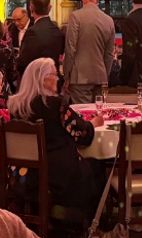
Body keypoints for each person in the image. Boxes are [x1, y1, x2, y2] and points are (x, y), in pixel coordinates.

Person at [8, 58, 102, 220]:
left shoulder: (16, 106)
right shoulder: (55, 104)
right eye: (54, 75)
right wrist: (94, 123)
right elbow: (82, 135)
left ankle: (55, 218)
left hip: (23, 174)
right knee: (97, 166)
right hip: (55, 174)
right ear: (43, 80)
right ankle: (92, 223)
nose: (58, 78)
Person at [63, 0, 115, 105]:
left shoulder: (75, 17)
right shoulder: (109, 20)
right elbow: (109, 54)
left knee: (83, 117)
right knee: (98, 116)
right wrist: (104, 75)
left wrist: (66, 75)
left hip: (79, 78)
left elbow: (70, 49)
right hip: (100, 77)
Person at [17, 0, 64, 78]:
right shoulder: (58, 31)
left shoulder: (32, 32)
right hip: (53, 79)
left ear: (31, 8)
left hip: (36, 80)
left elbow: (23, 62)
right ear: (50, 8)